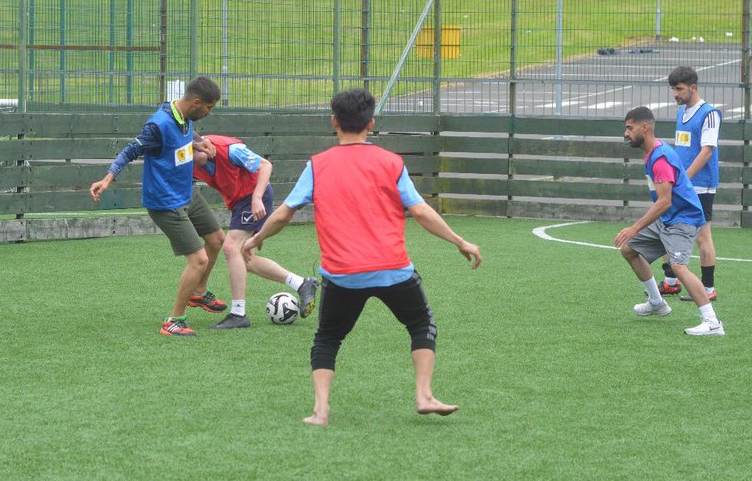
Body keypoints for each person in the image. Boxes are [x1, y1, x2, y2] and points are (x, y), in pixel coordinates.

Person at [242, 88, 482, 426]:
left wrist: (256, 238)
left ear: (334, 122)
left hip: (342, 275)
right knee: (420, 325)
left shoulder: (318, 165)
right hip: (393, 271)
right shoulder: (391, 162)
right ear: (371, 123)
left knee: (328, 338)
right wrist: (460, 241)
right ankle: (424, 395)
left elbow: (282, 214)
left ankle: (320, 411)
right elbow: (422, 211)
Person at [89, 76, 226, 336]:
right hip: (166, 202)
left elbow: (185, 132)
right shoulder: (158, 124)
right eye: (209, 107)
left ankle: (198, 293)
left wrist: (200, 142)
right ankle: (174, 320)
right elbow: (131, 150)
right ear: (197, 102)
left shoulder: (184, 115)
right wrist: (107, 178)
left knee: (217, 240)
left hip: (186, 193)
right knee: (198, 260)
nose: (210, 112)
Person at [616, 107, 724, 336]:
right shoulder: (652, 152)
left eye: (629, 128)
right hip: (669, 217)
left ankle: (712, 322)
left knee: (678, 267)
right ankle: (657, 303)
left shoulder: (660, 158)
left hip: (683, 219)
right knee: (629, 250)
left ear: (644, 128)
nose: (626, 133)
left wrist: (635, 227)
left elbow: (664, 201)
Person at [191, 134, 318, 329]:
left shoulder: (232, 150)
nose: (192, 159)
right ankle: (302, 284)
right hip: (240, 201)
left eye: (195, 152)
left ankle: (238, 314)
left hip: (254, 195)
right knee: (244, 259)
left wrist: (257, 198)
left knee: (230, 247)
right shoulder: (189, 160)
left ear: (206, 146)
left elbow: (265, 166)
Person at [658, 66, 720, 302]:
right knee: (668, 229)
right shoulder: (681, 113)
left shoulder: (709, 114)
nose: (675, 93)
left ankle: (708, 289)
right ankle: (671, 283)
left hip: (700, 185)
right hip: (681, 185)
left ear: (693, 87)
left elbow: (706, 151)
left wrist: (683, 178)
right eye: (673, 89)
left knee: (703, 236)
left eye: (679, 89)